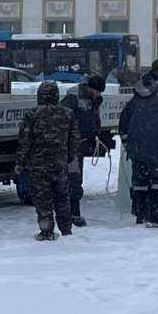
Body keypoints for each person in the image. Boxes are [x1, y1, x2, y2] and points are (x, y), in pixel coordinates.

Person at [15, 80, 80, 240]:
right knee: (62, 198)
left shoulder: (32, 114)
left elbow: (24, 141)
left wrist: (20, 162)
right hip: (60, 164)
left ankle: (46, 230)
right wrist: (68, 157)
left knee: (43, 200)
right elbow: (74, 139)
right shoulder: (67, 114)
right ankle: (66, 229)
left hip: (38, 165)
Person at [119, 68, 158, 224]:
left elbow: (124, 119)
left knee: (140, 180)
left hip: (136, 145)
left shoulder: (138, 96)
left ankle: (140, 214)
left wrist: (127, 140)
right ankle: (153, 216)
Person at [60, 74, 114, 227]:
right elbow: (63, 119)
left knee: (75, 178)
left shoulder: (92, 100)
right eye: (97, 91)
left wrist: (95, 135)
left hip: (81, 143)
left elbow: (92, 119)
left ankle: (72, 212)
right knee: (73, 179)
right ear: (90, 88)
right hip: (71, 146)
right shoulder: (73, 97)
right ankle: (72, 214)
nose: (98, 95)